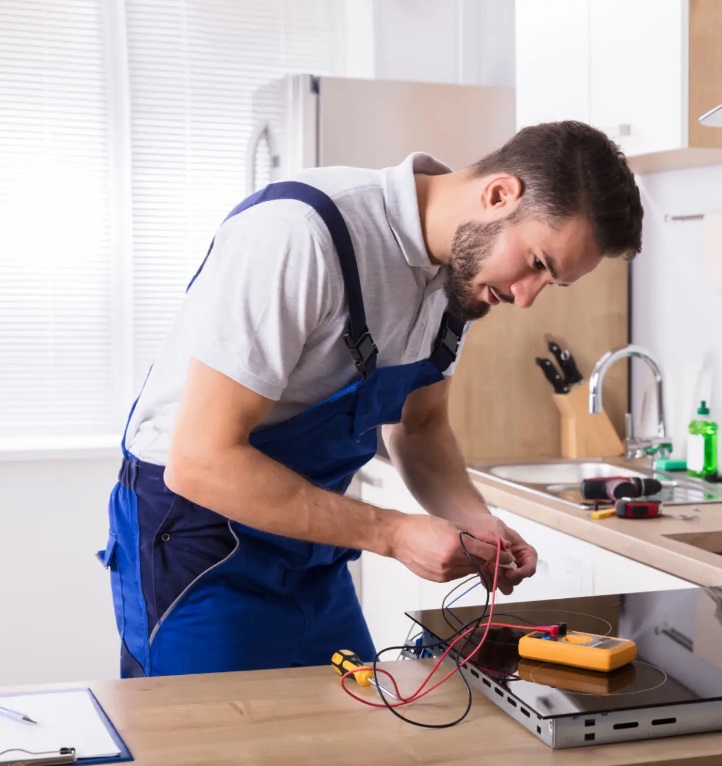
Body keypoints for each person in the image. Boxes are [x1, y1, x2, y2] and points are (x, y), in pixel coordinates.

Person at [99, 120, 643, 678]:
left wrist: (478, 523)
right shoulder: (300, 234)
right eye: (537, 264)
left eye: (551, 283)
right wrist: (393, 532)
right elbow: (201, 462)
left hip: (310, 551)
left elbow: (422, 429)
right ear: (499, 195)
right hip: (198, 545)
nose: (526, 299)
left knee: (356, 731)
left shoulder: (459, 276)